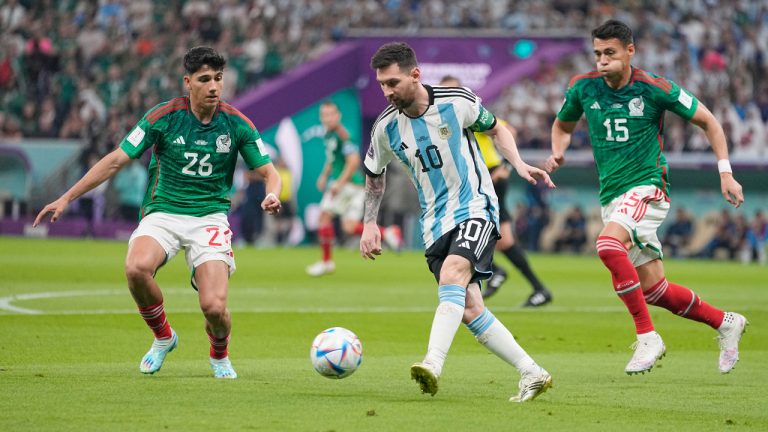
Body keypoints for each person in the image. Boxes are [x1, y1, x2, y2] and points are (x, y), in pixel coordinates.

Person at [34, 46, 282, 379]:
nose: (213, 86)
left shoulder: (237, 124)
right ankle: (164, 337)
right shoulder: (163, 117)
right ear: (188, 82)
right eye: (205, 79)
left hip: (209, 217)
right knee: (136, 268)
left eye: (218, 79)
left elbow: (269, 171)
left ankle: (219, 353)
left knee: (214, 307)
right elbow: (116, 160)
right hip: (163, 212)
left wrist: (273, 194)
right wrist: (66, 197)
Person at [545, 20, 748, 375]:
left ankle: (647, 336)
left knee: (608, 245)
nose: (602, 61)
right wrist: (558, 151)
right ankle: (726, 322)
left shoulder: (656, 88)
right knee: (656, 291)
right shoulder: (582, 88)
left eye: (610, 53)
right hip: (612, 194)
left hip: (648, 186)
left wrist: (726, 172)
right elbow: (562, 124)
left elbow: (710, 122)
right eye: (597, 54)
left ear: (629, 51)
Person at [361, 42, 555, 402]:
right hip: (434, 224)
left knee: (453, 275)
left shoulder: (456, 101)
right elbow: (374, 174)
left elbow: (497, 128)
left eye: (393, 83)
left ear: (415, 75)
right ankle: (532, 372)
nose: (387, 92)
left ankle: (432, 364)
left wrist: (519, 164)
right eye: (382, 85)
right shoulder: (385, 127)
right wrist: (370, 223)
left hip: (475, 207)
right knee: (469, 308)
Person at [439, 75, 552, 306]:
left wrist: (506, 165)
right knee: (504, 240)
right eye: (443, 91)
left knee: (461, 227)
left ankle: (494, 270)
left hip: (490, 175)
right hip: (477, 178)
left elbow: (506, 130)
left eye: (451, 90)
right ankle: (537, 289)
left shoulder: (469, 111)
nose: (447, 96)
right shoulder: (447, 119)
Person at [306, 100, 402, 277]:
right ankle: (387, 232)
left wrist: (338, 183)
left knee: (323, 217)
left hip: (348, 186)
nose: (326, 119)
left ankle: (326, 262)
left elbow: (353, 162)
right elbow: (332, 159)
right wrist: (324, 175)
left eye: (330, 115)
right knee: (349, 227)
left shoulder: (343, 135)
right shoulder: (329, 135)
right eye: (323, 115)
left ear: (338, 116)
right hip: (355, 188)